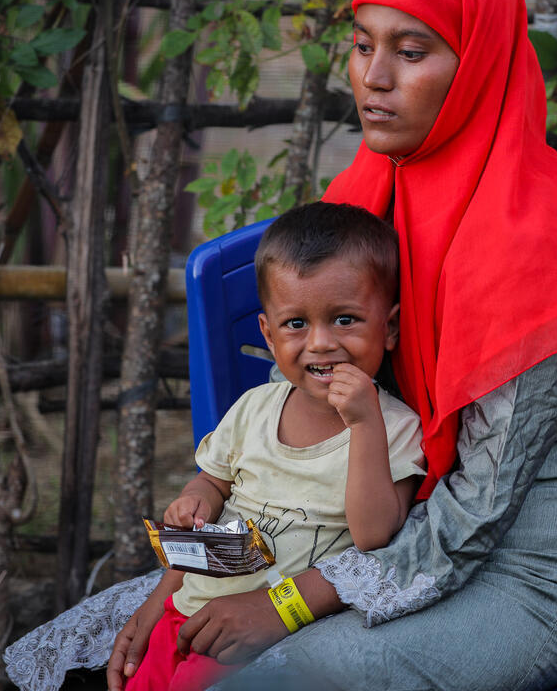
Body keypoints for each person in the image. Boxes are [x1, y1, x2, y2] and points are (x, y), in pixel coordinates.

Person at [106, 0, 557, 691]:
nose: (376, 78)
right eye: (363, 46)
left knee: (272, 680)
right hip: (351, 544)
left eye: (413, 51)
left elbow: (473, 520)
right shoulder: (374, 203)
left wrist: (286, 604)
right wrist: (172, 589)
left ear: (479, 67)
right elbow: (273, 478)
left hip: (523, 578)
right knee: (148, 654)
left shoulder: (536, 245)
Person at [123, 201, 425, 691]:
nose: (321, 343)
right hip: (188, 609)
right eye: (296, 324)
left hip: (267, 636)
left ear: (388, 328)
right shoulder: (255, 408)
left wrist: (364, 423)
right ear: (268, 333)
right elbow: (214, 479)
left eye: (345, 320)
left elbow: (374, 538)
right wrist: (197, 499)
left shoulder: (394, 427)